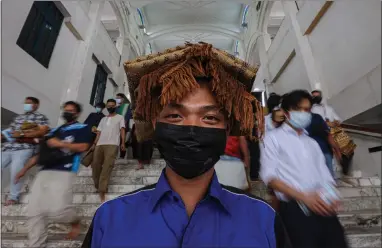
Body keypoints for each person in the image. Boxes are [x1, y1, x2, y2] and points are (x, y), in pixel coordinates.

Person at [82, 43, 290, 247]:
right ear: (156, 124)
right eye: (174, 116)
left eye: (209, 118)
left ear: (227, 129)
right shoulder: (109, 219)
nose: (191, 129)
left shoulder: (264, 220)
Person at [260, 90, 348, 248]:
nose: (303, 113)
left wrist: (331, 196)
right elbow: (270, 177)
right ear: (286, 113)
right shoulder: (273, 139)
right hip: (295, 209)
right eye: (298, 109)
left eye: (307, 110)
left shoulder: (312, 143)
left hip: (323, 206)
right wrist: (303, 197)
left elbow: (325, 176)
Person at [16, 101, 92, 247]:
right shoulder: (53, 131)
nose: (67, 112)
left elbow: (83, 146)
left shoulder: (83, 128)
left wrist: (60, 144)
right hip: (44, 171)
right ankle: (36, 244)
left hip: (65, 170)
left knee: (58, 209)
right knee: (34, 210)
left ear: (76, 113)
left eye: (71, 110)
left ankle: (75, 221)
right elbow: (40, 154)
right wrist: (23, 170)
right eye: (65, 110)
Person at [1, 96, 49, 205]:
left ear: (36, 105)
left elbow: (42, 132)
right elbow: (9, 132)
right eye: (25, 103)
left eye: (29, 103)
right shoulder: (18, 118)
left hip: (25, 147)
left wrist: (22, 134)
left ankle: (13, 197)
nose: (26, 105)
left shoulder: (40, 117)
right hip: (8, 147)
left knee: (16, 170)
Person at [91, 99, 126, 202]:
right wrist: (94, 144)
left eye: (112, 105)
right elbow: (99, 133)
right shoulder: (103, 119)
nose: (110, 107)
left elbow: (122, 130)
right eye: (108, 106)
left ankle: (102, 190)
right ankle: (98, 185)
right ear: (106, 107)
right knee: (95, 166)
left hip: (112, 144)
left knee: (107, 167)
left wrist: (122, 143)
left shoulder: (120, 118)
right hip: (99, 144)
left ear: (115, 106)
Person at [116, 93, 133, 159]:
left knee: (123, 140)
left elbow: (128, 115)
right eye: (116, 98)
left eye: (119, 98)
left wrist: (124, 123)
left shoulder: (127, 106)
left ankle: (122, 156)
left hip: (124, 126)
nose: (117, 99)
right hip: (116, 126)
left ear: (122, 99)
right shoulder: (116, 108)